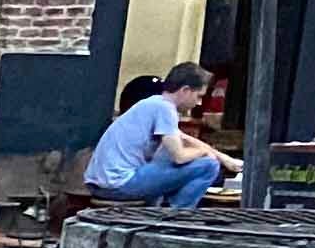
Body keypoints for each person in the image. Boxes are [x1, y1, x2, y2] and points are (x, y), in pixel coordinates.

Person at [86, 59, 237, 209]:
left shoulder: (154, 103)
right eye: (199, 96)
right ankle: (175, 216)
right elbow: (179, 157)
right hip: (118, 184)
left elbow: (183, 138)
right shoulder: (165, 109)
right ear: (185, 90)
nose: (198, 103)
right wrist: (205, 152)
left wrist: (224, 158)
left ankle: (162, 208)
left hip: (101, 182)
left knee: (167, 155)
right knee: (208, 166)